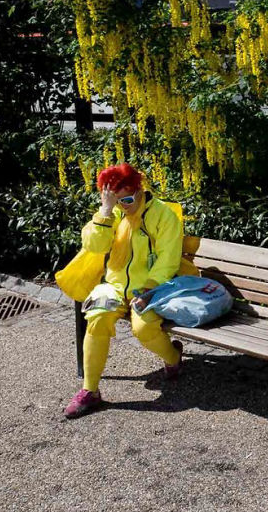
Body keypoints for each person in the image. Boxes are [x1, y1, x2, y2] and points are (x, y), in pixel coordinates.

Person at [64, 163, 184, 418]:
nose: (124, 205)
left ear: (140, 189)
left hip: (151, 287)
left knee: (143, 329)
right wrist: (105, 211)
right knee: (96, 317)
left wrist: (148, 289)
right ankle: (90, 391)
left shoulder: (163, 215)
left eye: (127, 199)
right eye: (116, 201)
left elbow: (169, 259)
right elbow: (94, 246)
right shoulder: (113, 213)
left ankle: (173, 358)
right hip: (114, 286)